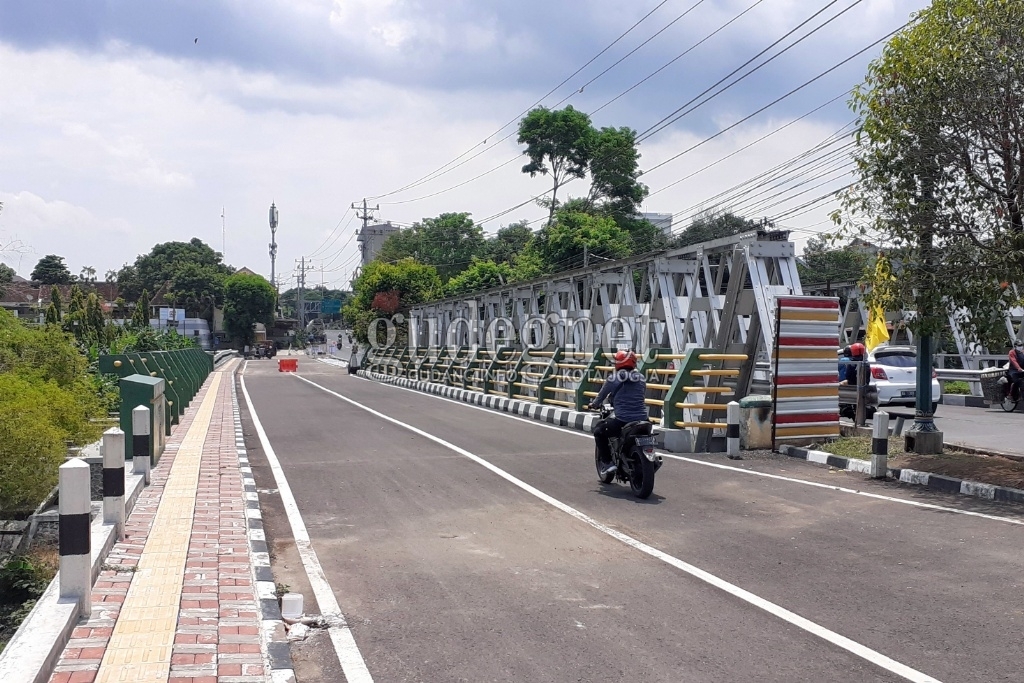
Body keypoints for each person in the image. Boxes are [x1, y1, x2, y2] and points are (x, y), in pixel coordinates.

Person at [588, 350, 648, 478]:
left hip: (623, 419)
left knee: (599, 431)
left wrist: (594, 404)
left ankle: (608, 463)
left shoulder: (613, 378)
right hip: (643, 419)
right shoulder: (641, 378)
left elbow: (601, 397)